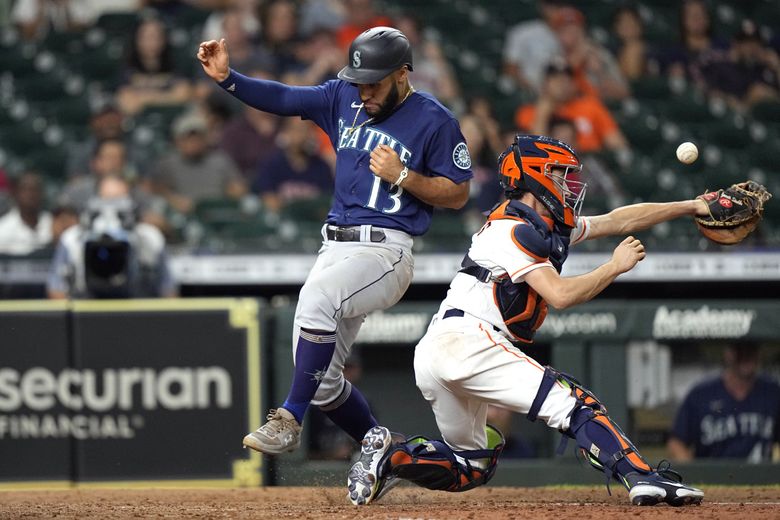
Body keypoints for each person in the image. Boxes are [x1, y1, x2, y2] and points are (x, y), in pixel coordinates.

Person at [347, 135, 706, 507]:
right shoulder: (514, 229)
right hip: (472, 340)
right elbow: (561, 295)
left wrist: (691, 206)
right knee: (575, 406)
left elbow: (618, 219)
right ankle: (642, 477)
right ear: (536, 175)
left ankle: (392, 456)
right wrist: (615, 267)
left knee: (471, 464)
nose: (568, 184)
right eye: (559, 174)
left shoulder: (539, 225)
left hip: (438, 351)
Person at [197, 26, 471, 455]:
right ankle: (381, 449)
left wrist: (404, 175)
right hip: (335, 248)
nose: (364, 91)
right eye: (359, 81)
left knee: (318, 299)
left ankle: (288, 419)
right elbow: (286, 98)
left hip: (386, 249)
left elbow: (458, 192)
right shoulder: (343, 96)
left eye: (374, 82)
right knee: (322, 383)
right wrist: (230, 79)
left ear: (402, 74)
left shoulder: (434, 119)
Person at [47, 174, 175, 299]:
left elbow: (168, 290)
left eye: (120, 201)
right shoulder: (72, 240)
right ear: (95, 201)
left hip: (137, 313)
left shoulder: (151, 239)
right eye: (107, 201)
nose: (111, 211)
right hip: (87, 313)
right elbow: (56, 289)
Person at [667, 343, 780, 463]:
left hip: (761, 478)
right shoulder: (702, 393)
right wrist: (694, 476)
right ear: (728, 353)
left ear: (759, 353)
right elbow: (676, 443)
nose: (746, 357)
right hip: (712, 478)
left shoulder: (772, 392)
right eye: (740, 352)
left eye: (751, 351)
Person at [515, 58, 629, 154]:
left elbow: (616, 143)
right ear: (544, 84)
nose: (562, 83)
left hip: (590, 163)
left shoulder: (590, 105)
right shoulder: (528, 113)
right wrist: (542, 115)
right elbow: (533, 153)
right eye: (555, 78)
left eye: (567, 78)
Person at [146, 110, 246, 215]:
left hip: (218, 211)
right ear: (178, 141)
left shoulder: (220, 160)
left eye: (197, 138)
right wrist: (173, 200)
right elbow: (152, 188)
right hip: (184, 215)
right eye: (188, 138)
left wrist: (232, 194)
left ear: (206, 139)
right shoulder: (168, 163)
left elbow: (239, 188)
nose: (193, 143)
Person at [252, 117, 334, 214]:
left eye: (308, 130)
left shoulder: (321, 166)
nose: (303, 135)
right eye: (298, 129)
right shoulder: (271, 164)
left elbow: (326, 205)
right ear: (285, 132)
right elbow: (269, 201)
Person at [0, 172, 52, 255]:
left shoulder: (53, 224)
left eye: (35, 190)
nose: (30, 195)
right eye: (25, 190)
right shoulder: (2, 229)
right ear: (15, 193)